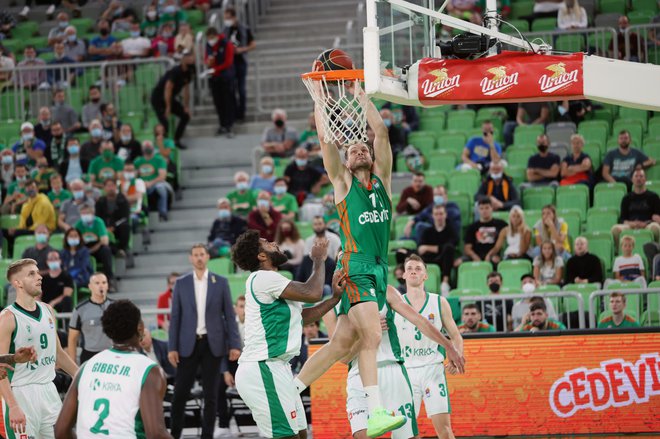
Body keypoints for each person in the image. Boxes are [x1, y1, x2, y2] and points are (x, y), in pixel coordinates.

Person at [292, 89, 464, 437]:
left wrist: (361, 97)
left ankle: (291, 390)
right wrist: (321, 102)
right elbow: (326, 140)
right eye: (353, 148)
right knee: (371, 334)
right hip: (355, 265)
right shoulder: (342, 183)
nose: (359, 149)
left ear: (371, 157)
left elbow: (381, 133)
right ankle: (375, 412)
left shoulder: (383, 183)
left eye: (363, 148)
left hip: (378, 267)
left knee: (342, 344)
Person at [230, 232, 344, 438]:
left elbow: (301, 317)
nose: (274, 243)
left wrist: (334, 300)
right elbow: (313, 292)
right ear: (261, 256)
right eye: (266, 243)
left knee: (300, 434)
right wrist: (318, 259)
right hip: (262, 368)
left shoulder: (271, 280)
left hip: (278, 368)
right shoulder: (262, 278)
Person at [55, 300, 173, 439]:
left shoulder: (87, 366)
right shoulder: (149, 370)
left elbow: (61, 431)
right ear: (140, 328)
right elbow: (156, 434)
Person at [167, 244, 241, 439]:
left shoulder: (221, 282)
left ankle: (207, 436)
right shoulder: (181, 284)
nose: (199, 258)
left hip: (213, 344)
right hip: (187, 345)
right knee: (180, 394)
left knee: (211, 395)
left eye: (202, 254)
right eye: (195, 255)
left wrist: (235, 344)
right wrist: (172, 347)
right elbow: (175, 317)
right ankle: (174, 434)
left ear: (207, 257)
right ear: (191, 259)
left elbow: (229, 316)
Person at [0, 259, 78, 439]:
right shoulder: (7, 318)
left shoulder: (48, 310)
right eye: (31, 274)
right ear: (17, 283)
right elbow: (1, 367)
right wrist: (12, 406)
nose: (39, 277)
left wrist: (80, 374)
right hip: (20, 393)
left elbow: (58, 353)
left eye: (37, 272)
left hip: (48, 391)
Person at [393, 255, 464, 439]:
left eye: (418, 268)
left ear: (425, 275)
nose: (413, 271)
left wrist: (457, 355)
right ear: (403, 275)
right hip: (406, 372)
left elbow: (456, 335)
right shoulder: (394, 304)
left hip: (433, 369)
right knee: (405, 433)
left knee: (445, 430)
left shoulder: (439, 302)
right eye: (409, 268)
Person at [151, 51, 195, 149]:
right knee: (164, 123)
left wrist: (186, 106)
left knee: (185, 116)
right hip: (158, 98)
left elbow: (186, 90)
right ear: (183, 59)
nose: (190, 58)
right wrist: (168, 107)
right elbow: (168, 88)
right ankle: (162, 147)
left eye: (191, 56)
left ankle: (176, 140)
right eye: (187, 56)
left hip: (169, 98)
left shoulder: (190, 71)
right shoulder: (175, 71)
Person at [67, 272, 114, 363]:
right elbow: (72, 338)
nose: (101, 286)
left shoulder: (115, 306)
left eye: (104, 283)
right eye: (97, 283)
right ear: (90, 286)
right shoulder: (80, 309)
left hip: (112, 354)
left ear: (107, 286)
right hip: (89, 356)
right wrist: (73, 366)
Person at [223, 6, 255, 122]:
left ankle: (242, 113)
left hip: (240, 61)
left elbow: (253, 44)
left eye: (228, 17)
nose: (227, 20)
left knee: (241, 89)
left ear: (234, 17)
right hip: (230, 63)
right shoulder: (225, 30)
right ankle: (234, 113)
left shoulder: (244, 28)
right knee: (231, 89)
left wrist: (242, 49)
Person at [611, 168, 660, 246]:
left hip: (647, 225)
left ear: (645, 179)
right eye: (636, 176)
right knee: (615, 229)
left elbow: (657, 217)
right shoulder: (626, 198)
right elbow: (622, 219)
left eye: (641, 176)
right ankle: (620, 252)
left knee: (655, 227)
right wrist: (632, 224)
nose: (638, 178)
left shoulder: (653, 197)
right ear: (632, 179)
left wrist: (646, 223)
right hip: (631, 225)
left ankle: (655, 250)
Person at [417, 204, 459, 295]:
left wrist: (428, 247)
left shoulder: (451, 230)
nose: (439, 216)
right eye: (436, 214)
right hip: (429, 259)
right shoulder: (427, 231)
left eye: (441, 214)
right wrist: (440, 248)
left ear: (445, 215)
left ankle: (445, 282)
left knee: (448, 250)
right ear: (432, 216)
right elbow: (420, 249)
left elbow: (450, 246)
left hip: (445, 260)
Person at [74, 204, 116, 290]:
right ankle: (84, 280)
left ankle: (110, 280)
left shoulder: (98, 222)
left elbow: (104, 241)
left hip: (97, 248)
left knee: (106, 250)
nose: (85, 216)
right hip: (84, 249)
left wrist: (91, 250)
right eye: (83, 214)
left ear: (93, 213)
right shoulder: (78, 225)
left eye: (87, 213)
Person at [205, 27, 235, 137]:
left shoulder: (226, 44)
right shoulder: (208, 45)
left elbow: (228, 62)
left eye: (212, 38)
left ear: (217, 36)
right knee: (218, 102)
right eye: (208, 38)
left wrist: (216, 69)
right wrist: (208, 63)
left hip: (226, 77)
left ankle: (229, 125)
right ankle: (222, 124)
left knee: (228, 101)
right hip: (214, 77)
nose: (210, 40)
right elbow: (206, 58)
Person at [464, 198, 508, 263]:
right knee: (459, 263)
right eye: (481, 208)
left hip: (494, 255)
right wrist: (475, 257)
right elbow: (467, 248)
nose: (484, 211)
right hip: (476, 255)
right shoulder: (472, 227)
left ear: (492, 208)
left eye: (487, 208)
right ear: (478, 210)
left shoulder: (501, 224)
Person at [135, 140, 170, 221]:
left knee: (161, 188)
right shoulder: (137, 161)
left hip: (156, 183)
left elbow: (162, 176)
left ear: (153, 148)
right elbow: (134, 176)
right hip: (141, 184)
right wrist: (142, 183)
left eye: (149, 146)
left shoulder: (159, 159)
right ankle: (139, 213)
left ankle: (163, 212)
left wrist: (151, 183)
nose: (147, 148)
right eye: (145, 147)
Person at [96, 178, 131, 255]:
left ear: (116, 187)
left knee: (126, 226)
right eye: (108, 186)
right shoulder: (100, 202)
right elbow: (98, 217)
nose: (111, 188)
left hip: (118, 227)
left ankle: (123, 249)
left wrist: (113, 226)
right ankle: (116, 251)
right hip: (104, 227)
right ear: (104, 188)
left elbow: (125, 217)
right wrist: (104, 227)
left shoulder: (122, 200)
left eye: (113, 186)